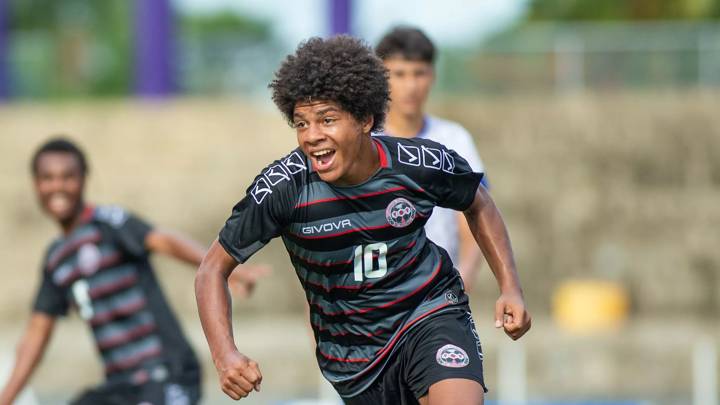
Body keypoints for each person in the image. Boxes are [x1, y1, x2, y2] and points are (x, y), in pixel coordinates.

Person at [195, 36, 531, 405]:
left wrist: (509, 286)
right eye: (301, 123)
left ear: (366, 119)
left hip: (430, 313)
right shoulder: (282, 189)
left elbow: (479, 203)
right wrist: (225, 355)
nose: (312, 136)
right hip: (354, 356)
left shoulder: (418, 163)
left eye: (327, 119)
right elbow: (211, 269)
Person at [0, 138, 268, 405]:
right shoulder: (55, 260)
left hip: (167, 374)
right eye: (48, 178)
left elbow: (163, 240)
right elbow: (36, 334)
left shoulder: (108, 223)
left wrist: (224, 270)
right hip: (120, 386)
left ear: (84, 179)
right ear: (36, 184)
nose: (57, 186)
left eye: (67, 176)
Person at [376, 26, 489, 292]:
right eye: (399, 74)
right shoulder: (365, 141)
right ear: (381, 77)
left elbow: (476, 212)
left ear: (433, 75)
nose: (411, 85)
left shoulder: (454, 138)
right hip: (376, 293)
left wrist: (465, 273)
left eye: (419, 73)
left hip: (437, 290)